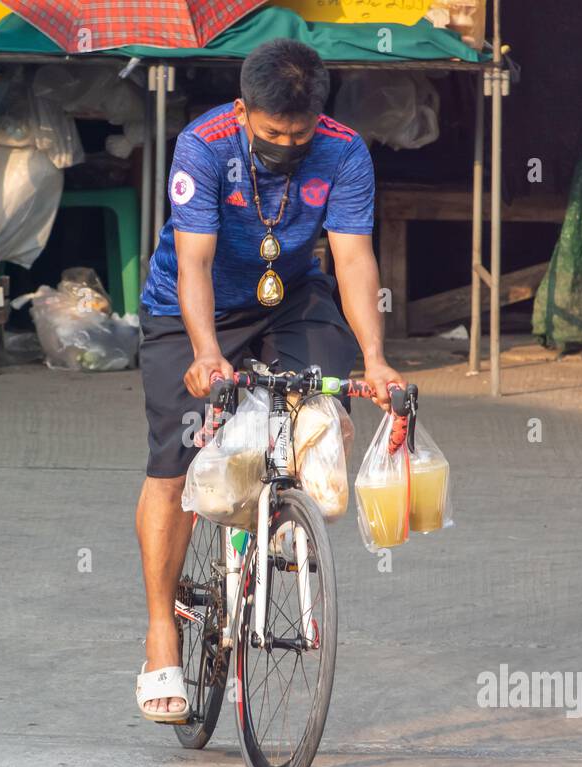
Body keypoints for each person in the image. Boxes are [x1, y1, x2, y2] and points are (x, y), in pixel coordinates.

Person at [134, 39, 406, 718]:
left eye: (297, 133)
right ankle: (161, 636)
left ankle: (281, 505)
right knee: (175, 464)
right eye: (271, 132)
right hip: (188, 311)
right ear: (242, 110)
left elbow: (351, 259)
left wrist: (374, 359)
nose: (285, 144)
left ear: (318, 118)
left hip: (290, 298)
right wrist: (204, 353)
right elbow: (193, 263)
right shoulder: (203, 144)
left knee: (319, 398)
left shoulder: (343, 151)